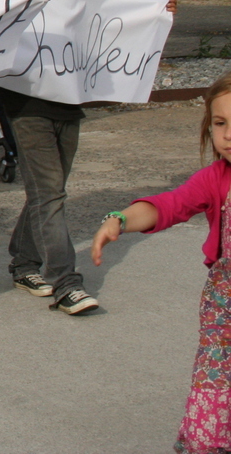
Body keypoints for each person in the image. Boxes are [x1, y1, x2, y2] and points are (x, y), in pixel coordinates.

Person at [0, 0, 181, 315]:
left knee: (47, 189)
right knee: (51, 192)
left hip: (68, 96)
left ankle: (23, 260)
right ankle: (65, 282)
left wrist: (154, 14)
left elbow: (97, 21)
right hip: (24, 98)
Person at [91, 72, 231, 453]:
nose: (229, 134)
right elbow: (169, 205)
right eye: (220, 124)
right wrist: (120, 219)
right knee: (214, 410)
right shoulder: (215, 179)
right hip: (225, 320)